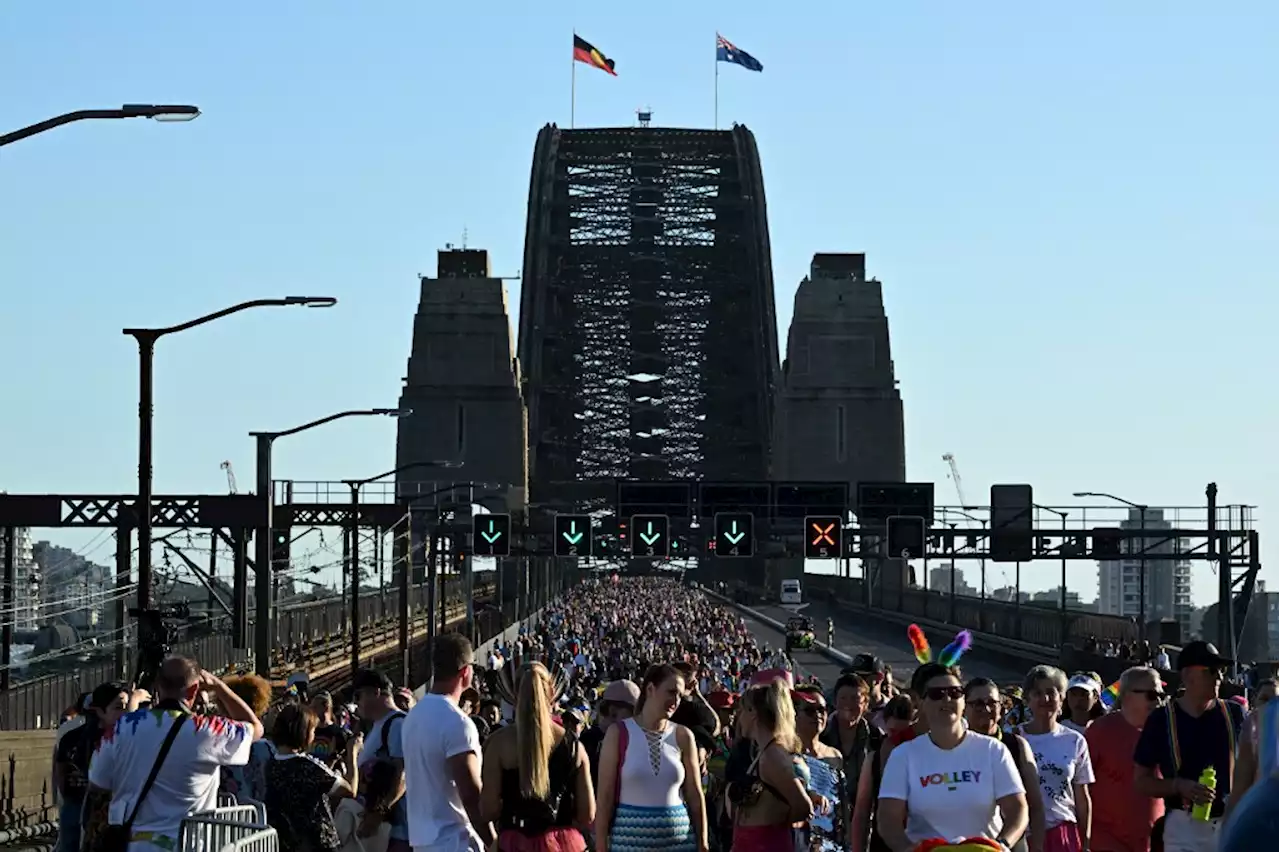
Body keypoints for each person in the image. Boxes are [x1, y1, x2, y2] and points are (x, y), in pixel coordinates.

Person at [87, 657, 263, 849]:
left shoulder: (123, 727)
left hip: (135, 844)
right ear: (194, 690)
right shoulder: (206, 730)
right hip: (187, 844)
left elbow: (97, 781)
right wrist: (219, 687)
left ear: (157, 686)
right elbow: (255, 728)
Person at [877, 662, 1027, 851]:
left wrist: (1002, 845)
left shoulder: (993, 750)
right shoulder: (903, 755)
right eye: (937, 694)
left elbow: (1017, 809)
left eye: (955, 692)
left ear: (964, 701)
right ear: (921, 703)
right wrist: (909, 849)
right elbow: (888, 819)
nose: (947, 699)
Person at [1134, 641, 1244, 852]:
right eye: (1211, 671)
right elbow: (1141, 782)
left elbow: (1253, 769)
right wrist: (1178, 786)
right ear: (1187, 675)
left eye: (1221, 671)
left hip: (1229, 823)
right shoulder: (1162, 719)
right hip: (1183, 826)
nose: (1219, 677)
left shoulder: (1235, 714)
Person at [480, 661, 595, 851]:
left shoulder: (497, 744)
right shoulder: (574, 746)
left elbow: (488, 810)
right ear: (551, 693)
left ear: (514, 695)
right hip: (563, 843)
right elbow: (587, 814)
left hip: (514, 843)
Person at [594, 663, 707, 852]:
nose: (676, 700)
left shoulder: (683, 735)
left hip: (680, 845)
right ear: (650, 689)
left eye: (680, 695)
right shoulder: (618, 733)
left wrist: (703, 842)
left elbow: (695, 795)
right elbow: (604, 797)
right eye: (671, 692)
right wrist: (600, 846)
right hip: (629, 843)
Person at [401, 632, 493, 851]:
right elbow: (470, 795)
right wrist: (493, 842)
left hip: (423, 843)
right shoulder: (458, 723)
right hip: (454, 841)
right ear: (466, 671)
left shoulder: (413, 717)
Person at [1085, 666, 1164, 852]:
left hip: (1153, 843)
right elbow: (1081, 786)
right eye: (1152, 695)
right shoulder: (1101, 730)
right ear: (1127, 696)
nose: (1158, 701)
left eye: (1161, 695)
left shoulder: (1166, 732)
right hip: (1106, 842)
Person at [1019, 666, 1095, 852]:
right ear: (1027, 699)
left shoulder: (1075, 741)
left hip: (1063, 834)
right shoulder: (1014, 739)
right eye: (1037, 693)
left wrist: (1085, 843)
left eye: (1051, 693)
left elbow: (1082, 797)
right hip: (1023, 835)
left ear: (1061, 698)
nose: (1045, 699)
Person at [263, 703, 358, 851]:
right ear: (304, 732)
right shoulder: (307, 765)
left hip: (286, 843)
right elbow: (349, 790)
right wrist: (352, 753)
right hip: (318, 843)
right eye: (313, 730)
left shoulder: (271, 764)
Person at [964, 677, 1044, 852]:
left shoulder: (1017, 745)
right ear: (964, 707)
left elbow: (1036, 805)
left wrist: (1037, 846)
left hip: (1011, 841)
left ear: (1001, 707)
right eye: (977, 704)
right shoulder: (955, 746)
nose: (985, 709)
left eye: (992, 703)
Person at [353, 669, 410, 851]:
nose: (357, 704)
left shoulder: (397, 724)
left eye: (358, 696)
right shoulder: (381, 725)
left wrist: (379, 813)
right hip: (383, 830)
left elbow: (403, 773)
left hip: (398, 830)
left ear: (376, 692)